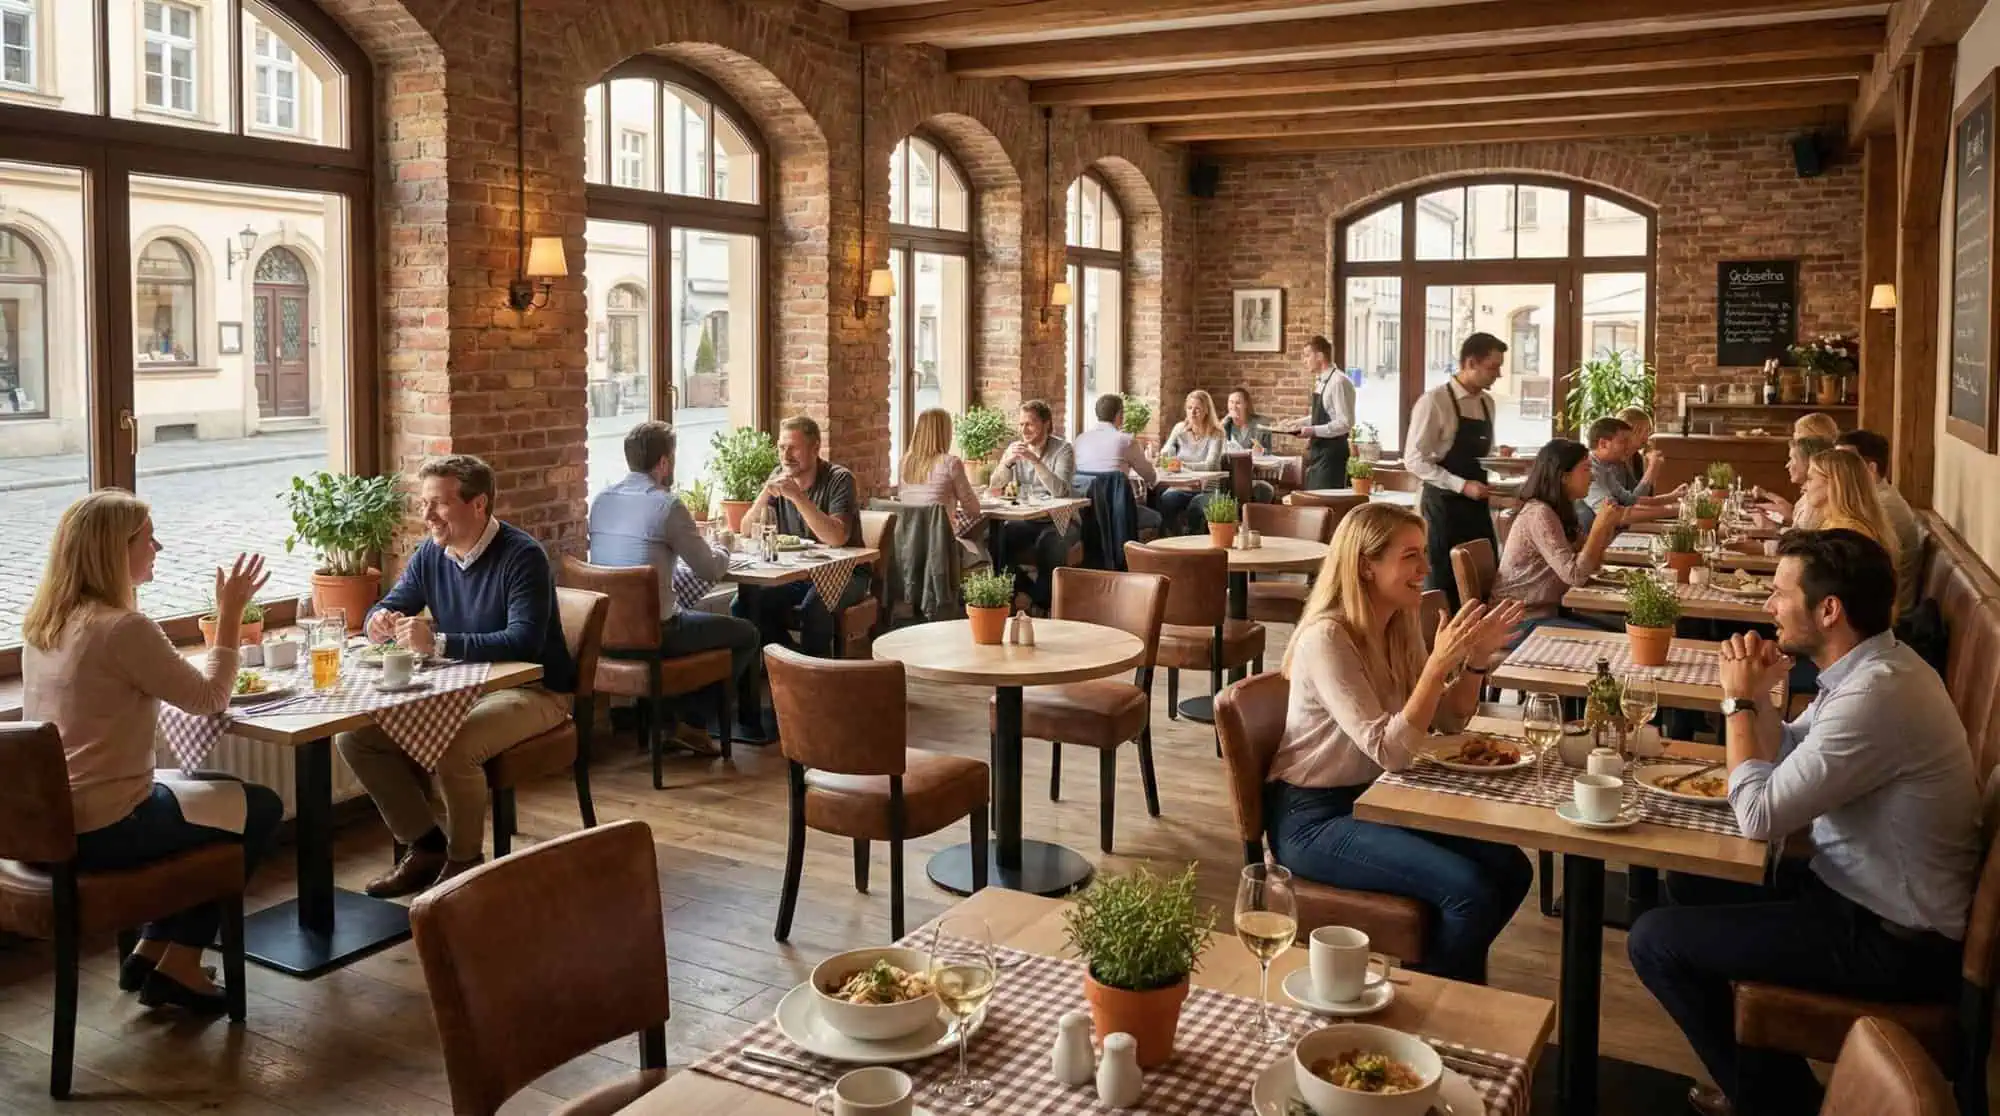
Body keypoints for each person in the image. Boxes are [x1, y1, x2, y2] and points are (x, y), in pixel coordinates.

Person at [1626, 530, 1980, 1116]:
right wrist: (1762, 695)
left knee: (1655, 941)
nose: (1768, 605)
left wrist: (1739, 703)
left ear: (1829, 609)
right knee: (1692, 881)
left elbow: (1759, 817)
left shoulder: (1877, 694)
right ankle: (1767, 1090)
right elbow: (1787, 749)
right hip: (1855, 895)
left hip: (1896, 942)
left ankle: (1778, 1106)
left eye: (1780, 593)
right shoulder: (1871, 668)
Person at [20, 491, 284, 1013]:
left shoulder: (44, 624)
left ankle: (152, 950)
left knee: (221, 792)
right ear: (115, 551)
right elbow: (210, 698)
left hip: (48, 825)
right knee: (259, 807)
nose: (158, 547)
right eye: (148, 538)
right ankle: (181, 961)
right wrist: (229, 614)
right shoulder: (123, 628)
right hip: (107, 827)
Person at [1263, 503, 1530, 984]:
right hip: (1313, 818)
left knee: (1511, 868)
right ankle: (1437, 1000)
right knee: (1469, 892)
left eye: (1423, 553)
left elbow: (1446, 719)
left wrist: (1474, 661)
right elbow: (1390, 751)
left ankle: (1436, 984)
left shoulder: (1397, 625)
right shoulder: (1328, 638)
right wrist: (1436, 668)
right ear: (1366, 565)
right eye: (1410, 556)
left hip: (1376, 798)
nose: (1425, 567)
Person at [343, 455, 576, 897]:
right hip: (460, 691)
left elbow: (524, 641)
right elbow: (391, 603)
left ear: (479, 504)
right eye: (424, 503)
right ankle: (425, 846)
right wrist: (378, 619)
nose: (427, 514)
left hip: (535, 690)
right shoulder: (430, 554)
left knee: (455, 748)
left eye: (439, 503)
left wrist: (439, 643)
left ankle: (466, 864)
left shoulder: (522, 555)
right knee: (356, 738)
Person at [588, 421, 767, 749]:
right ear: (664, 463)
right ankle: (691, 721)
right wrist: (725, 545)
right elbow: (709, 569)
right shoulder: (666, 505)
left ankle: (671, 717)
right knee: (747, 634)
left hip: (604, 635)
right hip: (657, 636)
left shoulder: (601, 501)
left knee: (681, 611)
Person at [737, 415, 872, 655]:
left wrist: (798, 497)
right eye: (781, 448)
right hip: (798, 574)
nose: (786, 456)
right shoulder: (779, 476)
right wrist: (766, 492)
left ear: (815, 448)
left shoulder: (839, 478)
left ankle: (813, 674)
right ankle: (787, 663)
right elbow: (746, 529)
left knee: (815, 607)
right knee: (746, 602)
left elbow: (837, 538)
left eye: (793, 448)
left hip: (847, 573)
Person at [1407, 332, 1506, 611]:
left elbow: (1483, 455)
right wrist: (1462, 485)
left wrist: (1500, 457)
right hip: (1442, 508)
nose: (1498, 375)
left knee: (1484, 581)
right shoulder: (1434, 401)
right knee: (1443, 585)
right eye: (1493, 367)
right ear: (1470, 363)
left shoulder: (1487, 403)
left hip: (1477, 508)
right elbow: (1414, 459)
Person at [1493, 439, 1625, 629]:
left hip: (1548, 612)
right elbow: (1576, 576)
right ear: (1563, 476)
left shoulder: (1562, 510)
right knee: (1618, 638)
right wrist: (1599, 527)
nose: (1593, 477)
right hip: (1518, 620)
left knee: (1620, 630)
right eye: (1586, 469)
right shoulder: (1539, 513)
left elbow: (1592, 567)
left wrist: (1606, 526)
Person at [987, 400, 1078, 610]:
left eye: (1029, 424)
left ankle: (1043, 605)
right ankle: (1026, 592)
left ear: (1046, 424)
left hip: (1060, 520)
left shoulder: (1063, 450)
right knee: (997, 539)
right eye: (1021, 424)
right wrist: (1007, 462)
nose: (1024, 430)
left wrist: (1035, 461)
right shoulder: (1014, 449)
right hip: (1027, 519)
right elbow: (995, 486)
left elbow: (1060, 491)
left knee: (1050, 542)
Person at [1834, 429, 1922, 618]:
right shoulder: (1871, 500)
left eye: (1846, 464)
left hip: (1886, 618)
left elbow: (1847, 568)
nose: (1837, 471)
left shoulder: (1881, 506)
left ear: (1871, 469)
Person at [895, 407, 986, 568]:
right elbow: (973, 510)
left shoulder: (904, 463)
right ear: (945, 433)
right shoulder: (951, 463)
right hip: (941, 547)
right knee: (984, 545)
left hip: (908, 546)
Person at [1071, 393, 1163, 534]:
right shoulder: (1126, 441)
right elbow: (1151, 477)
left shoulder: (1079, 440)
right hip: (1118, 515)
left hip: (1086, 516)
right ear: (1120, 415)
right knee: (1157, 517)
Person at [1580, 416, 1676, 530]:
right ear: (1603, 444)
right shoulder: (1589, 470)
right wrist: (1673, 510)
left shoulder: (1604, 467)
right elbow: (1613, 515)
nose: (1628, 446)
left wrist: (1672, 500)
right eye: (1623, 442)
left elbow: (1631, 500)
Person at [1154, 389, 1228, 534]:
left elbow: (1210, 465)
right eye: (1189, 408)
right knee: (1165, 499)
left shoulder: (1216, 433)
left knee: (1196, 505)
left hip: (1207, 488)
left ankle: (1193, 538)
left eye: (1197, 409)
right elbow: (1165, 452)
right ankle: (1175, 537)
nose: (1192, 413)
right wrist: (1166, 456)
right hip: (1182, 487)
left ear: (1206, 411)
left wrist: (1182, 466)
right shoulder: (1180, 428)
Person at [1291, 335, 1356, 490]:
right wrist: (1297, 423)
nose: (1304, 360)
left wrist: (1312, 431)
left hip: (1332, 457)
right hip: (1318, 454)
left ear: (1320, 356)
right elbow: (1322, 416)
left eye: (1307, 355)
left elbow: (1345, 423)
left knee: (1325, 502)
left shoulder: (1338, 382)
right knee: (1313, 500)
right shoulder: (1321, 381)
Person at [1801, 449, 1895, 553]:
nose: (1804, 487)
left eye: (1810, 479)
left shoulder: (1847, 532)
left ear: (1835, 484)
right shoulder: (1834, 522)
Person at [1750, 435, 1833, 527]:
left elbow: (1803, 535)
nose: (1787, 465)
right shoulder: (1807, 495)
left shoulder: (1817, 499)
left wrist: (1768, 527)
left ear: (1809, 462)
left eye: (1792, 459)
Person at [1223, 388, 1278, 503]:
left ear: (1246, 404)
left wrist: (1261, 450)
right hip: (1230, 474)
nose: (1233, 406)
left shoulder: (1261, 424)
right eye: (1231, 402)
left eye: (1238, 403)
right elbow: (1215, 441)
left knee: (1261, 490)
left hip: (1254, 474)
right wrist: (1225, 420)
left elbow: (1269, 452)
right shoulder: (1226, 425)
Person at [1616, 406, 1659, 493]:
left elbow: (1647, 494)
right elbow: (1632, 499)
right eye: (1639, 431)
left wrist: (1648, 465)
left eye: (1647, 431)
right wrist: (1652, 467)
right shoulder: (1615, 461)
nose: (1646, 436)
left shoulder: (1636, 457)